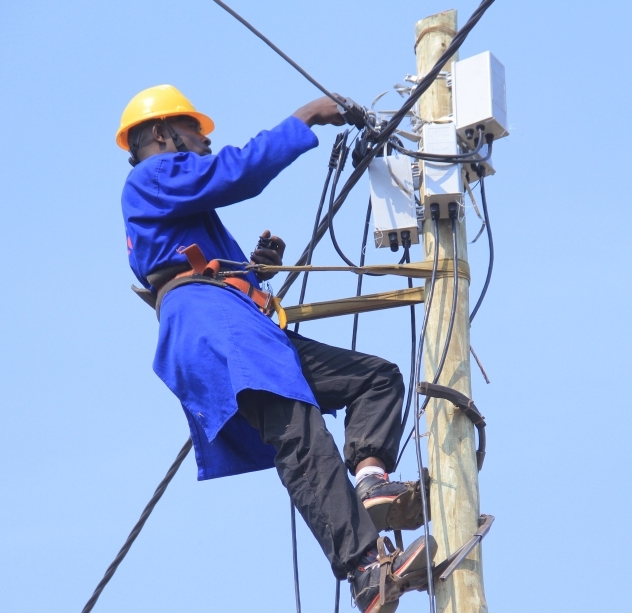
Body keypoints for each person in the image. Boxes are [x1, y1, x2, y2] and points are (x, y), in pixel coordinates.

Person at [116, 84, 434, 613]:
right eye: (194, 130)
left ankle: (371, 483)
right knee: (297, 430)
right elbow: (237, 173)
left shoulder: (175, 203)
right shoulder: (148, 178)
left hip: (240, 325)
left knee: (374, 378)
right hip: (214, 329)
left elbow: (200, 260)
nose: (203, 141)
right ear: (159, 133)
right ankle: (364, 569)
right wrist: (306, 116)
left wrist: (254, 268)